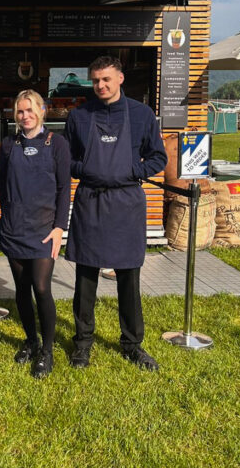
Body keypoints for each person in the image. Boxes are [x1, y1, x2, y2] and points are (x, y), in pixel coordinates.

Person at [65, 56, 167, 371]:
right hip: (90, 201)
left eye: (106, 79)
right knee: (85, 279)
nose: (101, 86)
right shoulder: (79, 116)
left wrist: (132, 169)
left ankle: (132, 344)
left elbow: (158, 156)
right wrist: (87, 169)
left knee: (128, 277)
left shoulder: (141, 114)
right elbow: (66, 160)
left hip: (126, 203)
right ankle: (82, 344)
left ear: (120, 78)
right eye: (95, 80)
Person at [0, 90, 70, 378]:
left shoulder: (57, 143)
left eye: (30, 110)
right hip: (14, 228)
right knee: (22, 290)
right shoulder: (8, 144)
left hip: (43, 230)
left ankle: (47, 349)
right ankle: (30, 340)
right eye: (20, 111)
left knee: (41, 287)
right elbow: (2, 186)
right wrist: (7, 215)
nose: (25, 116)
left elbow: (64, 188)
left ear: (42, 111)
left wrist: (59, 228)